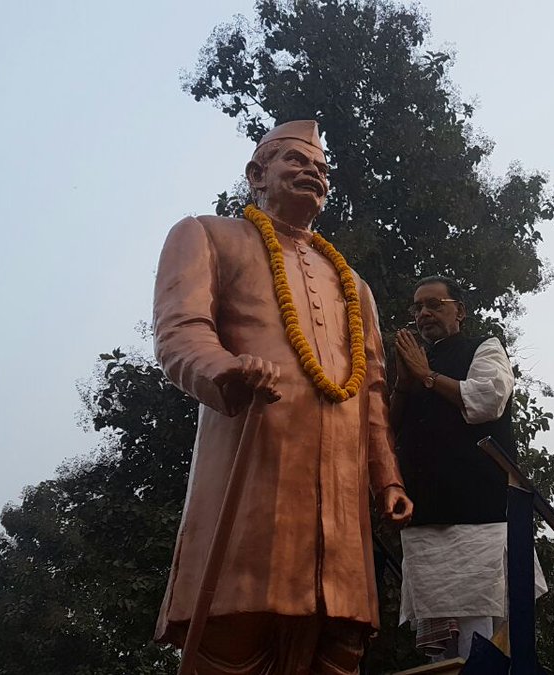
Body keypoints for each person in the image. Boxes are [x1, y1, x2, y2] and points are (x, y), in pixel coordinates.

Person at [151, 119, 413, 674]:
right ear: (256, 174)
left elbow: (370, 391)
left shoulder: (354, 285)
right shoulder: (207, 235)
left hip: (340, 497)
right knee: (235, 631)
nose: (312, 173)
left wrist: (386, 479)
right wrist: (226, 370)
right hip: (253, 468)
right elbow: (181, 331)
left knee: (337, 641)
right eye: (296, 160)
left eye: (321, 169)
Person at [390, 275, 545, 660]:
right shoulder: (415, 365)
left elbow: (487, 400)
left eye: (434, 304)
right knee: (440, 653)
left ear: (459, 311)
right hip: (425, 523)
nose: (424, 314)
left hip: (480, 520)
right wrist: (404, 384)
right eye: (417, 308)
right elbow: (388, 431)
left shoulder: (485, 347)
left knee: (482, 640)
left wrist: (427, 376)